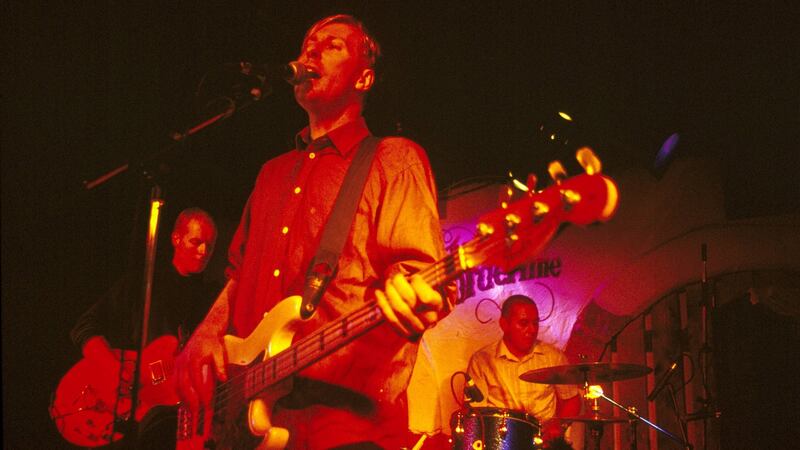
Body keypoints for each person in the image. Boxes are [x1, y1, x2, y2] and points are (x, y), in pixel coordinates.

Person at [174, 14, 452, 450]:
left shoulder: (394, 159)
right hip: (242, 423)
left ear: (364, 78)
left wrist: (418, 297)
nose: (311, 52)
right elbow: (237, 273)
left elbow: (421, 276)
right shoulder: (271, 173)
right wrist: (206, 332)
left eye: (333, 45)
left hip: (345, 429)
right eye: (308, 43)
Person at [70, 207, 219, 449]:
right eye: (196, 242)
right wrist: (111, 369)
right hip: (125, 413)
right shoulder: (144, 284)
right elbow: (84, 326)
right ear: (176, 239)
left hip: (171, 421)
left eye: (210, 246)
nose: (204, 251)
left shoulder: (209, 300)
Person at [466, 295, 582, 446]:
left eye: (535, 323)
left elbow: (572, 399)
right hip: (501, 441)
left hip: (544, 441)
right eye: (524, 323)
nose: (532, 329)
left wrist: (558, 425)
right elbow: (476, 414)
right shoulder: (482, 361)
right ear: (504, 324)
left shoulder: (553, 357)